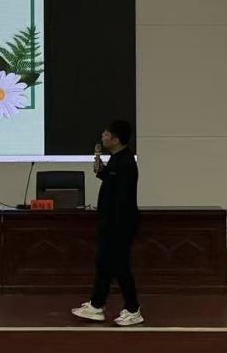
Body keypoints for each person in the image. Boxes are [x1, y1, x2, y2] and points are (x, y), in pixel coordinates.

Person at [71, 119, 142, 327]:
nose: (103, 136)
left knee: (120, 266)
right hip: (110, 221)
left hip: (120, 223)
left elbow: (122, 196)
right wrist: (102, 171)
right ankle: (96, 305)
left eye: (106, 134)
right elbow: (113, 182)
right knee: (104, 264)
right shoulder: (116, 159)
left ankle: (133, 309)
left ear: (116, 139)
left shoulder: (126, 162)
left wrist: (113, 225)